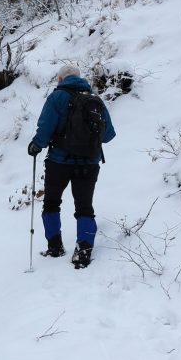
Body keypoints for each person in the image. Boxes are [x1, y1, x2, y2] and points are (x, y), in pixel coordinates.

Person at [27, 65, 116, 268]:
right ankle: (83, 252)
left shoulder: (57, 97)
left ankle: (55, 247)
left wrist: (36, 146)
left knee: (51, 203)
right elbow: (109, 135)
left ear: (60, 79)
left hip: (59, 161)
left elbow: (45, 127)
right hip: (89, 163)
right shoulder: (95, 99)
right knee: (84, 207)